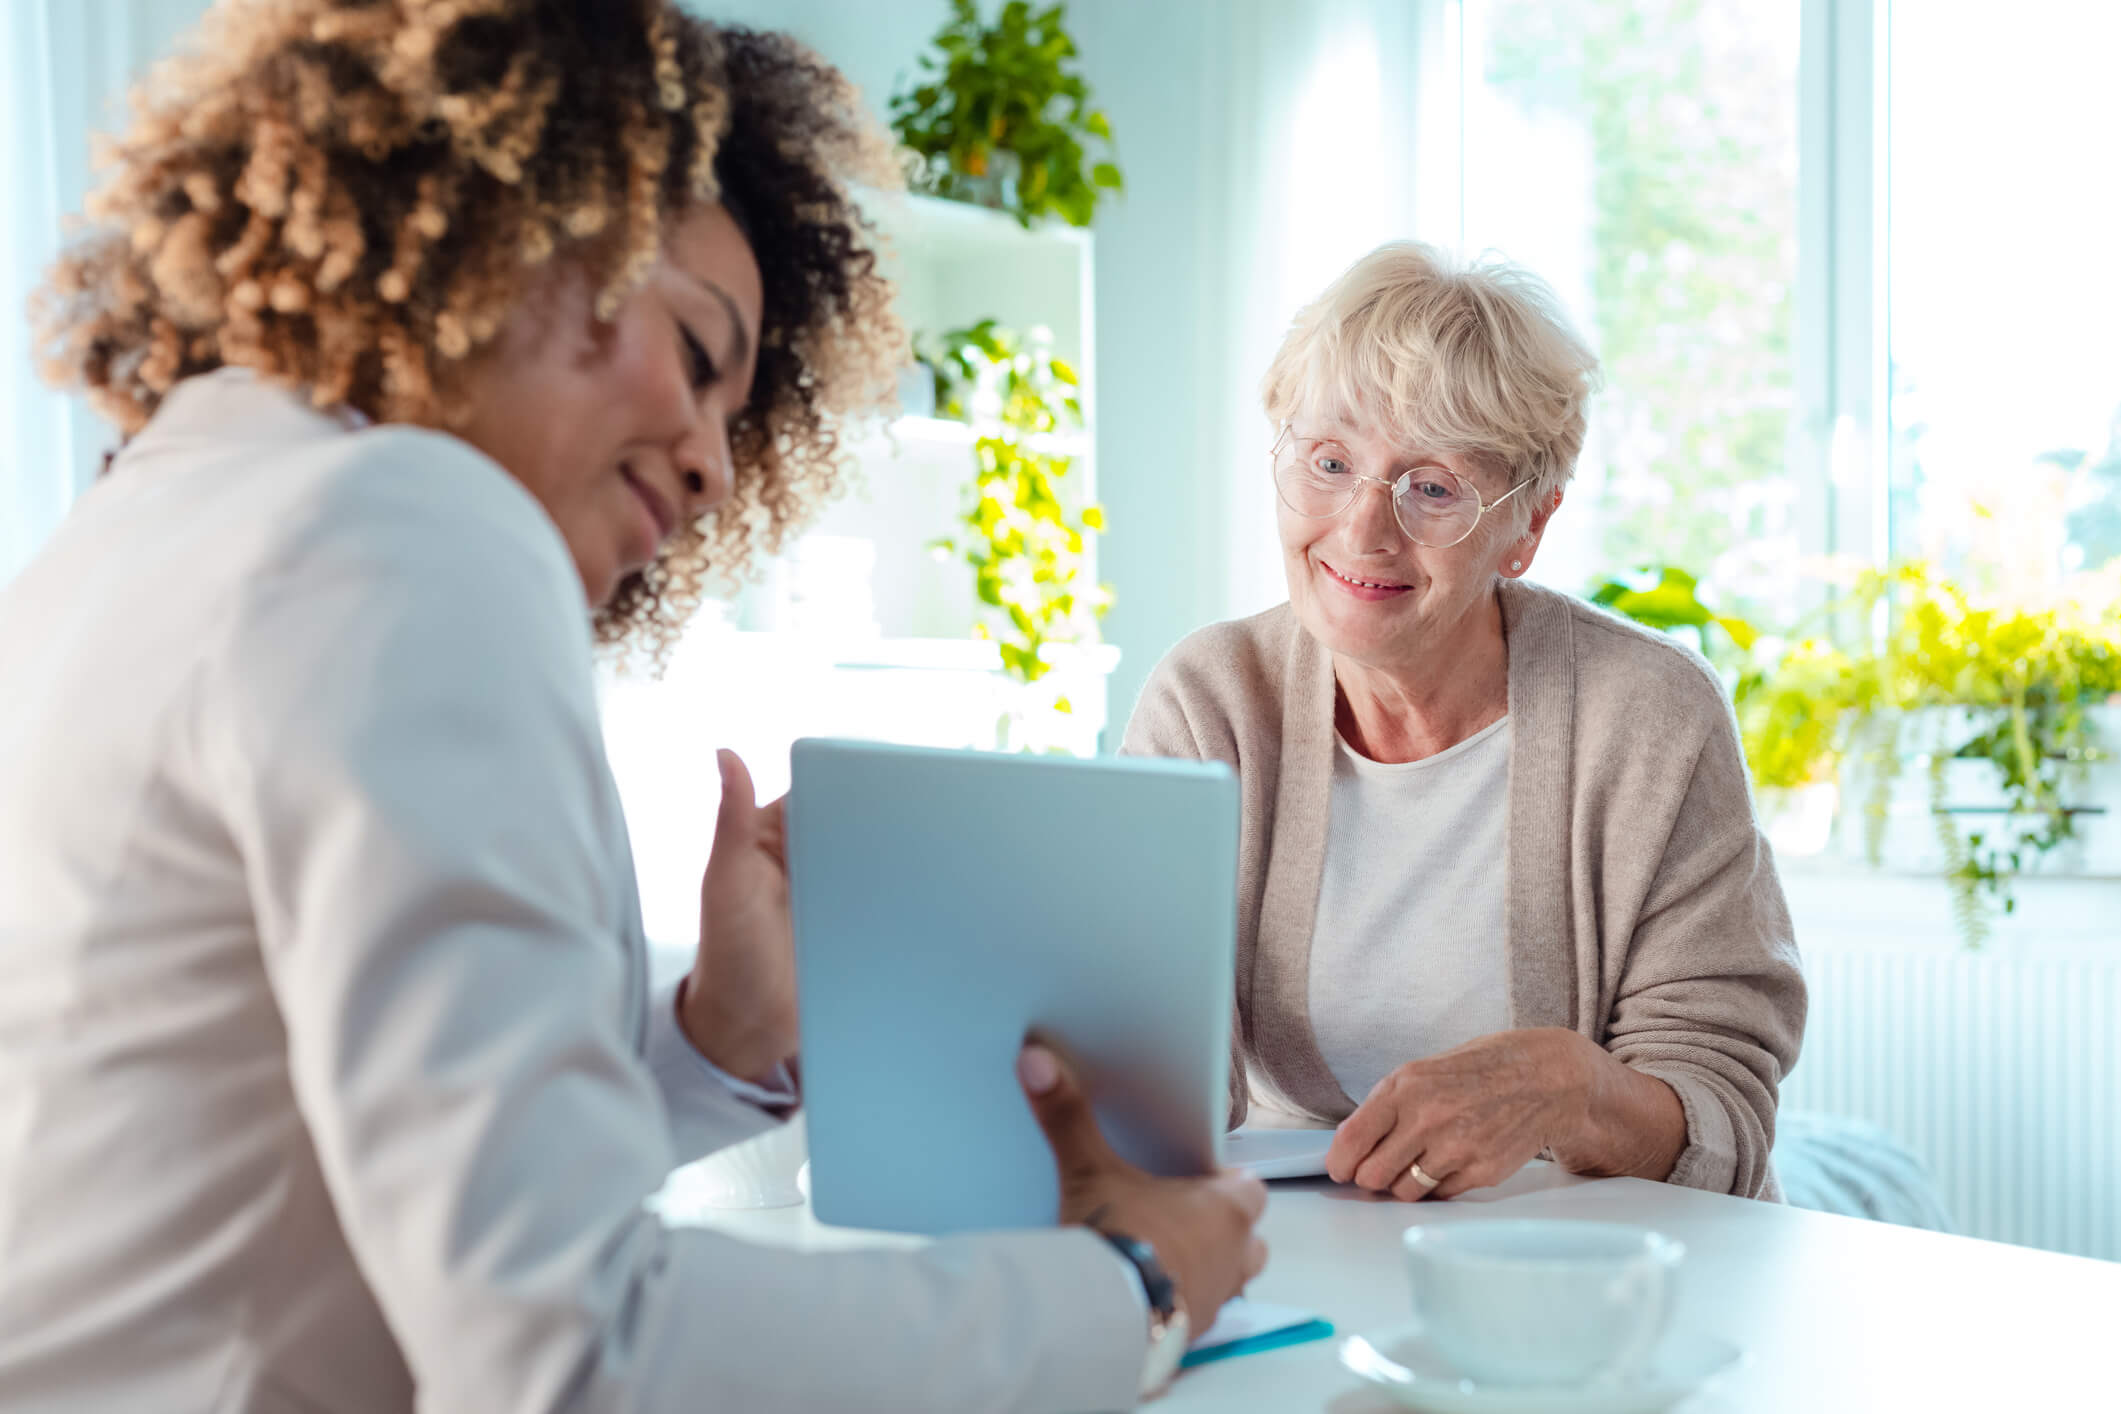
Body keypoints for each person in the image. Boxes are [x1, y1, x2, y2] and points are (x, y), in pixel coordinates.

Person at [0, 3, 1265, 1410]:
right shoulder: (411, 526)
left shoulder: (152, 520)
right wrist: (1124, 1288)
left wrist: (721, 1030)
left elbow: (358, 1187)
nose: (718, 468)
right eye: (697, 350)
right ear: (497, 232)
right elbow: (576, 1346)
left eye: (740, 414)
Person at [1123, 243, 1806, 1204]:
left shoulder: (1650, 716)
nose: (1364, 530)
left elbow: (1721, 1114)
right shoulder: (1209, 699)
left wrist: (1566, 1088)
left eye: (1432, 485)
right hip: (1296, 1237)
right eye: (1329, 462)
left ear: (1525, 526)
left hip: (1585, 1255)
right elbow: (1139, 1061)